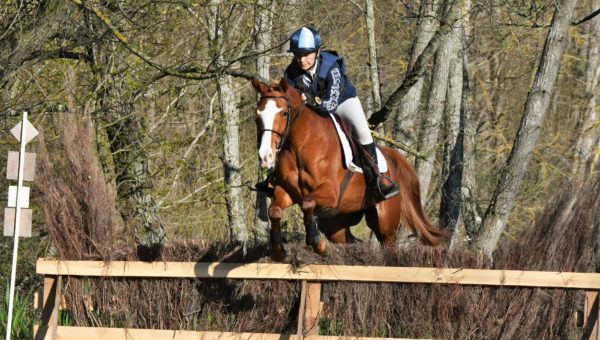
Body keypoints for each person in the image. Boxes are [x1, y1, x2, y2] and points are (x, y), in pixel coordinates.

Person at [257, 26, 399, 201]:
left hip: (342, 102)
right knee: (286, 130)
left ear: (317, 51)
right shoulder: (291, 73)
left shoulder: (331, 67)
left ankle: (377, 180)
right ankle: (276, 176)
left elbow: (331, 104)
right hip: (312, 106)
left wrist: (308, 100)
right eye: (298, 54)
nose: (301, 60)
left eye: (306, 54)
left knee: (363, 132)